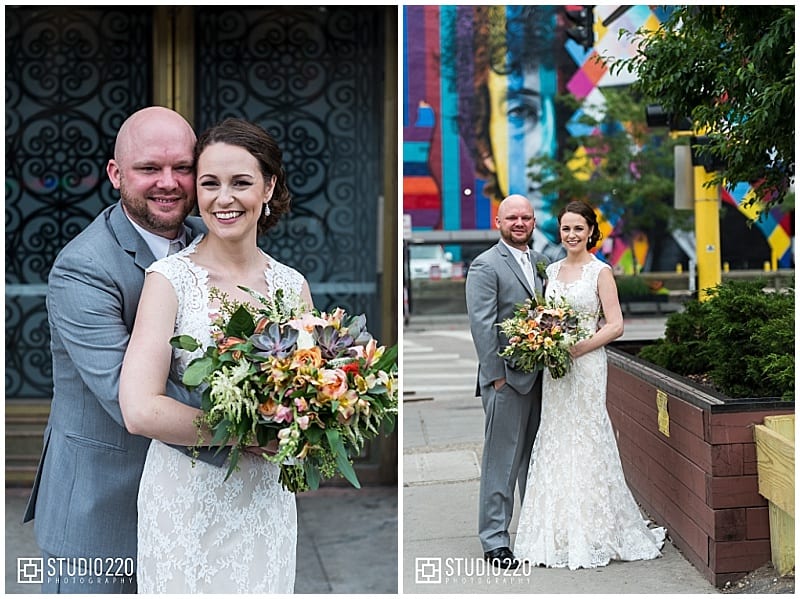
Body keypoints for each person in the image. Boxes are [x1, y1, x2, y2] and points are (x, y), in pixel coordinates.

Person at [21, 106, 217, 593]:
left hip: (189, 510)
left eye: (183, 168)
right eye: (149, 168)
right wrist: (256, 422)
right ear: (116, 174)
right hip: (99, 513)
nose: (168, 182)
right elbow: (128, 396)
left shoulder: (209, 246)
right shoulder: (83, 268)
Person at [119, 118, 313, 593]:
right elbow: (140, 409)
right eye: (210, 183)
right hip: (186, 499)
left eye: (241, 182)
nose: (224, 198)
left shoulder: (293, 286)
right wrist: (244, 433)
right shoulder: (169, 280)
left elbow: (311, 394)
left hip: (266, 501)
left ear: (268, 187)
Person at [514, 200, 666, 569]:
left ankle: (596, 529)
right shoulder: (550, 270)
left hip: (588, 364)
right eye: (566, 229)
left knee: (587, 436)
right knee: (554, 435)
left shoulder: (601, 272)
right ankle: (556, 530)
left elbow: (615, 325)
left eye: (578, 228)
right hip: (555, 367)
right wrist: (543, 343)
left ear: (590, 232)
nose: (571, 235)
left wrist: (580, 348)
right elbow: (544, 317)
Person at [464, 193, 549, 569]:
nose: (519, 223)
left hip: (542, 380)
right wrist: (497, 379)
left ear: (533, 223)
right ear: (498, 222)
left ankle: (533, 533)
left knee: (537, 460)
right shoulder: (485, 266)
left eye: (526, 218)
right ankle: (495, 541)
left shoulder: (542, 263)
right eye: (512, 217)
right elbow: (482, 326)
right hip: (507, 382)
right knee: (502, 464)